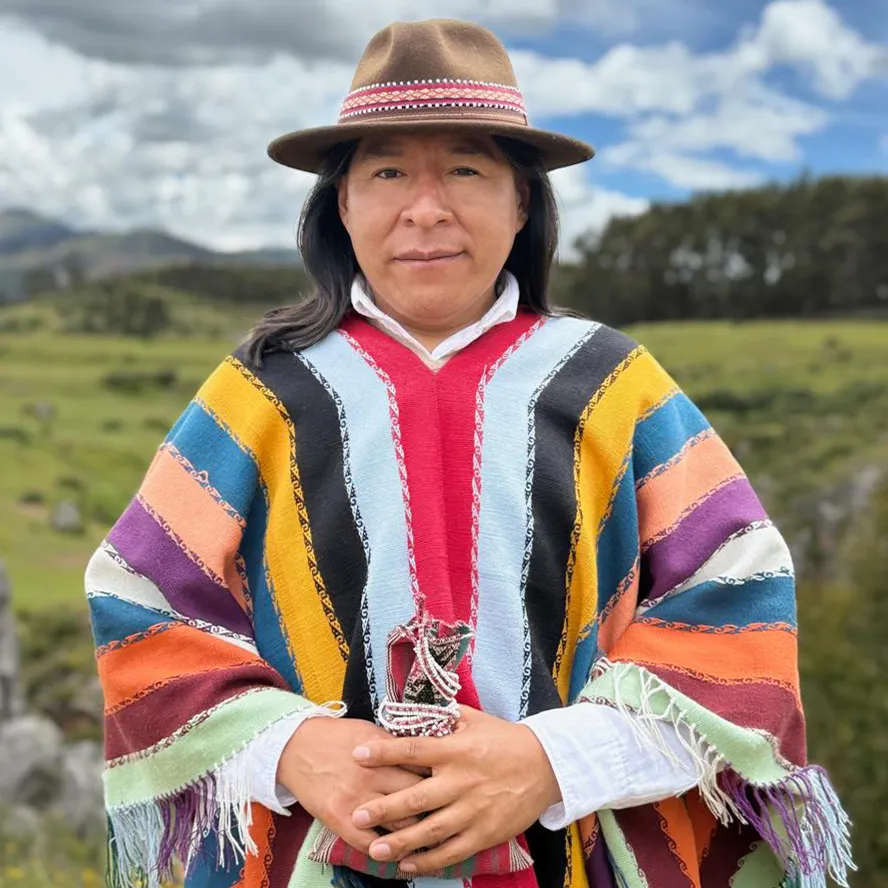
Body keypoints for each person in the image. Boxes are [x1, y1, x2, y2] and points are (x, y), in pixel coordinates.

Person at [85, 17, 853, 888]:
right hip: (311, 857)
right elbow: (138, 597)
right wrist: (297, 747)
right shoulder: (260, 395)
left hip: (563, 860)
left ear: (521, 201)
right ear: (341, 203)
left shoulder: (614, 388)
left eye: (464, 169)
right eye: (385, 172)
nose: (425, 209)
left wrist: (550, 761)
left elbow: (739, 599)